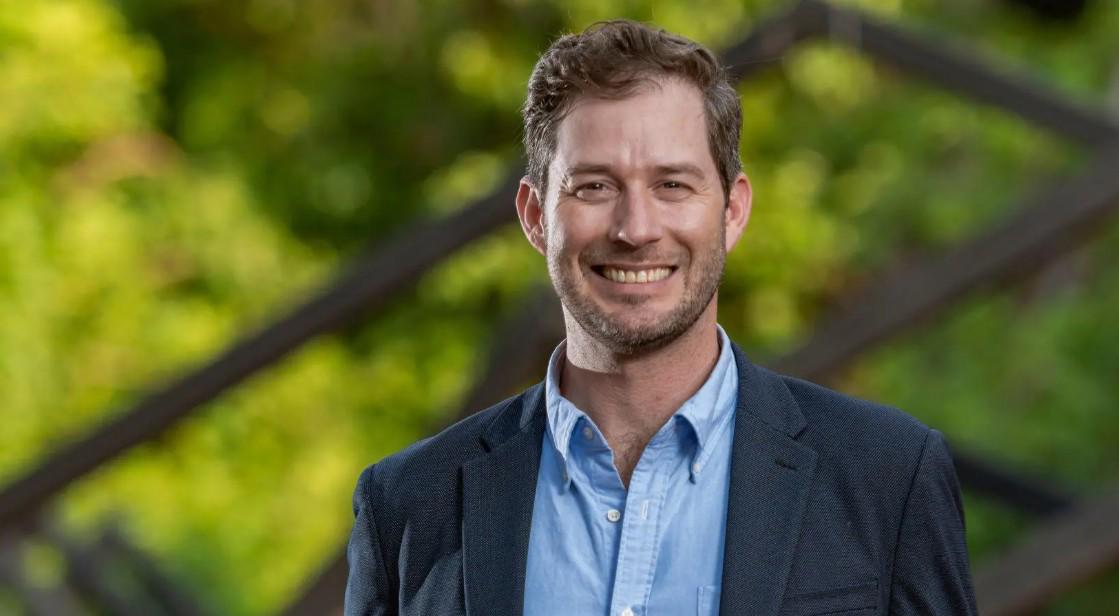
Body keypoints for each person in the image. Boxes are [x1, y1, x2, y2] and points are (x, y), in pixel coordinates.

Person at [344, 19, 977, 616]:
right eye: (594, 186)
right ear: (536, 216)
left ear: (732, 210)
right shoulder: (406, 505)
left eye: (672, 184)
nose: (636, 229)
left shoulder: (889, 476)